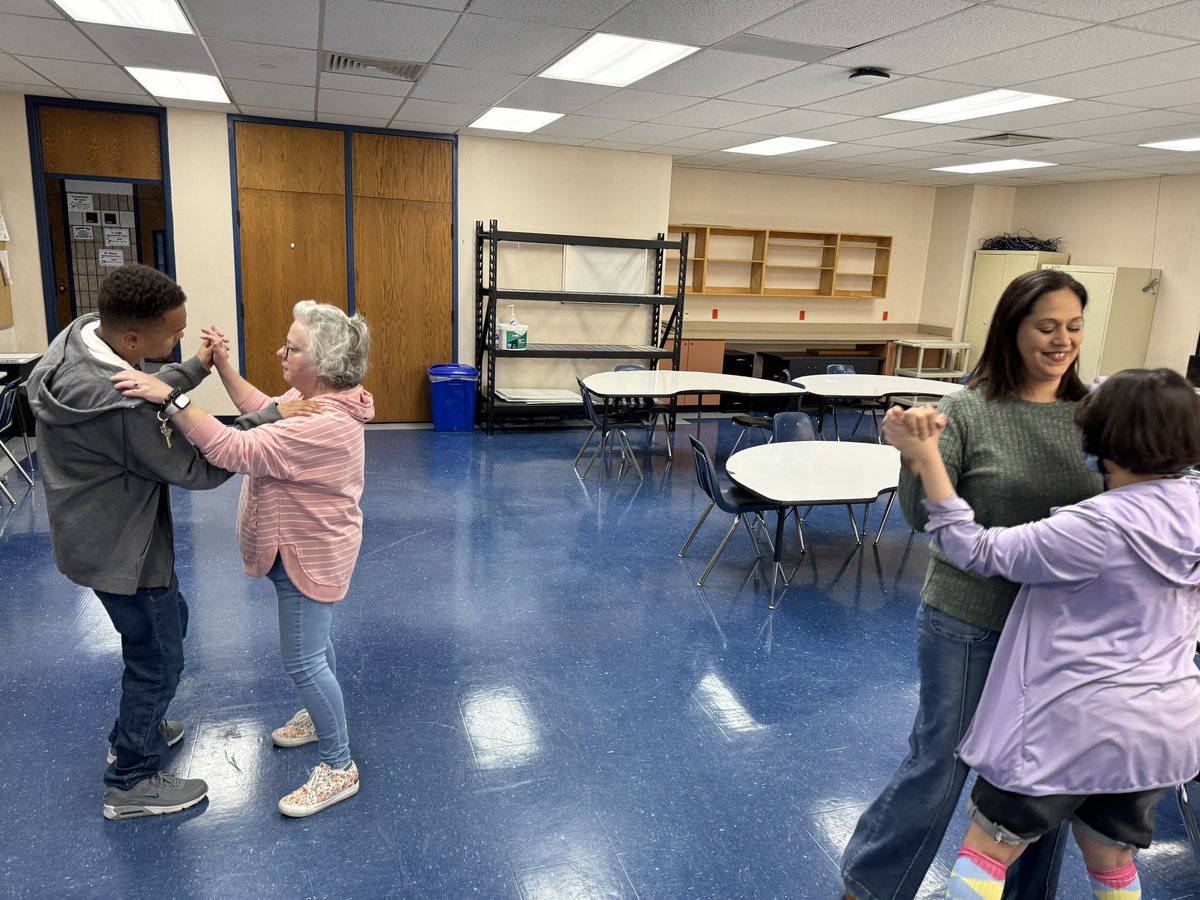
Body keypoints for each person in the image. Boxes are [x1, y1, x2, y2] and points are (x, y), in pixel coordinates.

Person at [882, 367, 1200, 899]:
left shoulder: (1093, 528)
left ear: (1104, 441)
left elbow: (975, 549)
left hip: (1068, 727)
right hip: (1159, 732)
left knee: (988, 851)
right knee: (1111, 856)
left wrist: (928, 459)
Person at [840, 268, 1103, 899]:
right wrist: (914, 457)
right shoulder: (965, 413)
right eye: (1046, 327)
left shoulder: (1096, 414)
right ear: (1011, 329)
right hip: (970, 620)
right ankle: (873, 884)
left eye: (1072, 326)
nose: (1061, 340)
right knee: (941, 763)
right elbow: (919, 517)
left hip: (1064, 630)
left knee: (1044, 780)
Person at [113, 300, 374, 818]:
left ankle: (339, 766)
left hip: (307, 554)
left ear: (320, 365)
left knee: (304, 658)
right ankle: (316, 716)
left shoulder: (321, 426)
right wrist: (225, 369)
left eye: (292, 347)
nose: (281, 351)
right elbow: (265, 407)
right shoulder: (316, 399)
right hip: (302, 545)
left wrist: (170, 396)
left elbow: (233, 448)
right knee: (315, 646)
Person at [26, 263, 236, 820]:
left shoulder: (81, 335)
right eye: (173, 337)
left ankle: (134, 728)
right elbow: (202, 466)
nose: (179, 343)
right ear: (134, 340)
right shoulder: (121, 407)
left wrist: (194, 369)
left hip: (90, 536)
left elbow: (153, 385)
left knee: (168, 626)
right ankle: (131, 780)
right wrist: (268, 421)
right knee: (159, 659)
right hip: (128, 551)